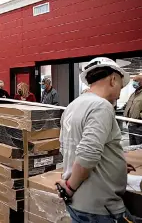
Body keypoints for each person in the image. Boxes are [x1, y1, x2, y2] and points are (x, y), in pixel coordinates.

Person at [57, 57, 135, 222]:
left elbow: (67, 147)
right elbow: (87, 155)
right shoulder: (102, 106)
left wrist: (116, 164)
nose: (121, 91)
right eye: (121, 84)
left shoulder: (72, 106)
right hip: (100, 208)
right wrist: (69, 188)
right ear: (113, 79)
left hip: (80, 204)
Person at [124, 73, 142, 145]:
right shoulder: (133, 94)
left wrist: (139, 116)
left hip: (139, 126)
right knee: (132, 147)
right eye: (133, 80)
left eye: (136, 81)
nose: (134, 83)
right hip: (131, 125)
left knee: (139, 148)